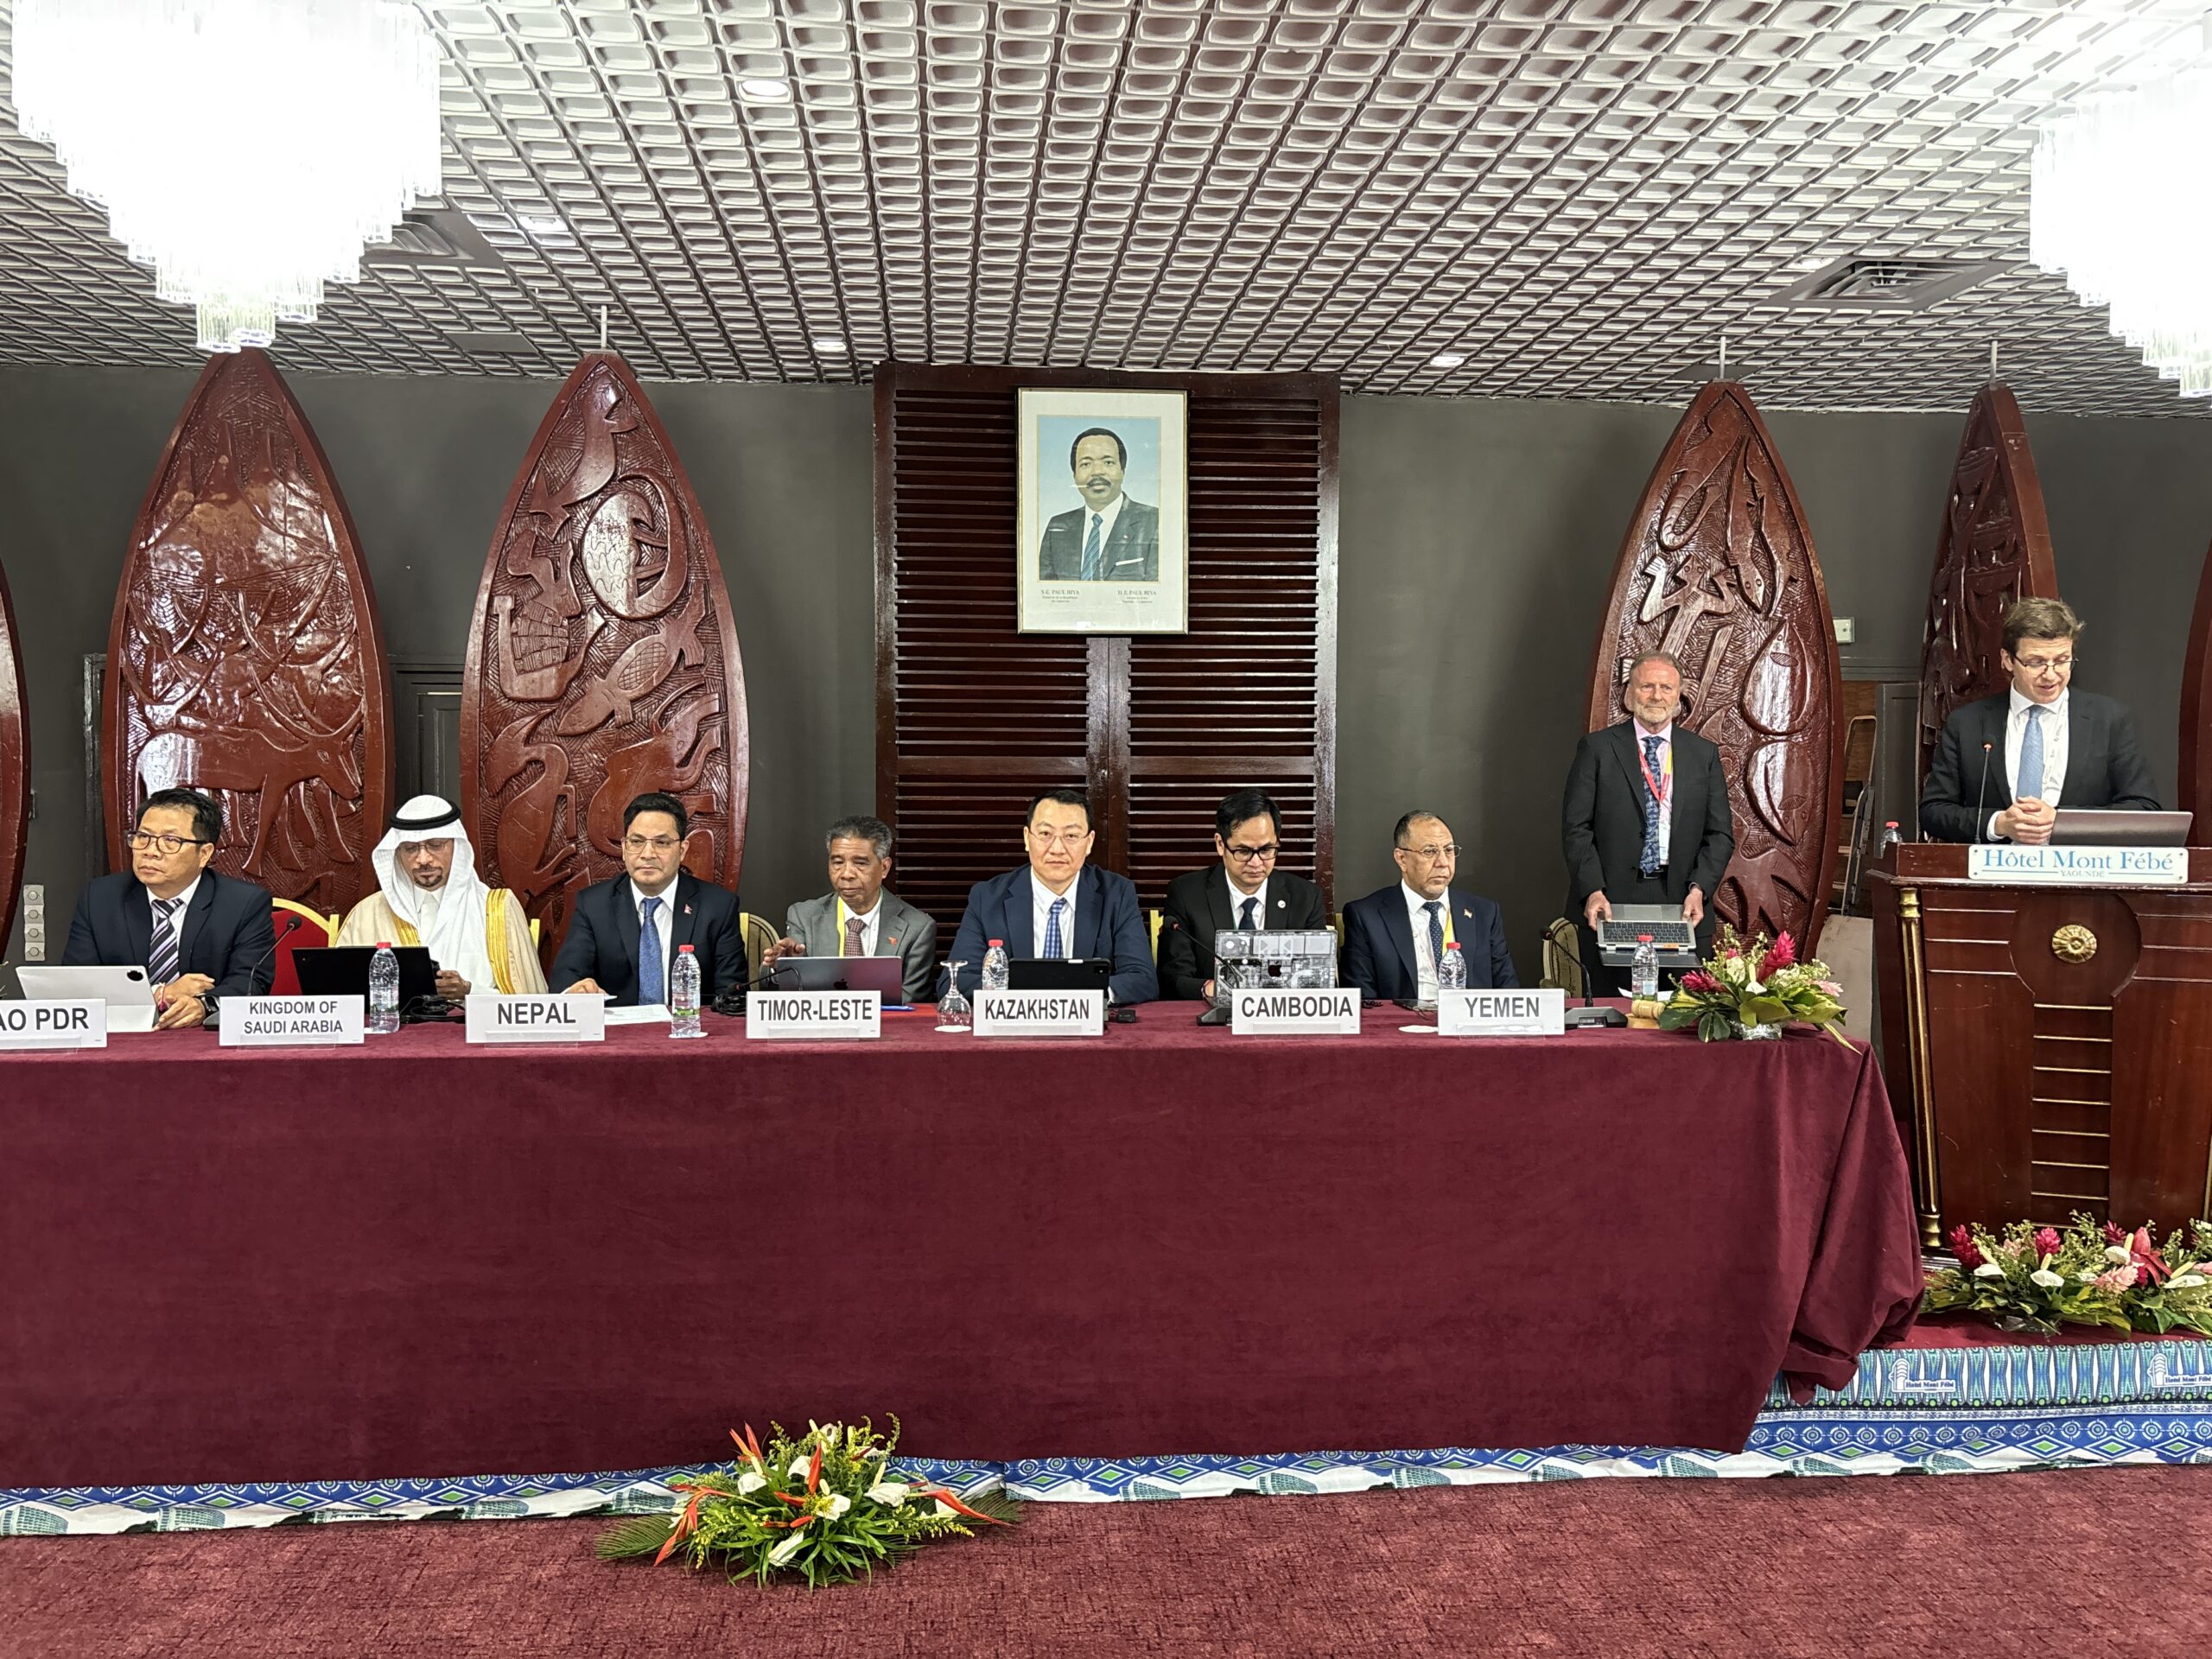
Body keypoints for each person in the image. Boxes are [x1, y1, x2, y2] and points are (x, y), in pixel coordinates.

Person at [1561, 650, 1735, 995]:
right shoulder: (1597, 749)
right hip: (1611, 900)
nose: (1657, 695)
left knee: (1684, 1012)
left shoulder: (1703, 754)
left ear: (1678, 696)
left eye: (1666, 688)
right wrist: (1593, 889)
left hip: (1683, 900)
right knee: (1614, 1012)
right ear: (1630, 694)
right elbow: (1576, 828)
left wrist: (1700, 889)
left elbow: (1720, 834)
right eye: (1647, 686)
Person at [1919, 597, 2160, 844]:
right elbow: (1934, 812)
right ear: (2007, 660)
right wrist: (1998, 824)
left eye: (2062, 660)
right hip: (1994, 865)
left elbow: (2144, 807)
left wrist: (2061, 821)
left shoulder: (2110, 720)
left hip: (2079, 865)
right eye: (2036, 662)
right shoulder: (1967, 724)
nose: (2051, 675)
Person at [63, 786, 275, 1028]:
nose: (150, 851)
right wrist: (161, 993)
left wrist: (204, 1006)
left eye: (170, 841)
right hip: (120, 1035)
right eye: (143, 837)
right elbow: (76, 984)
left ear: (204, 854)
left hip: (200, 1041)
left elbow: (251, 982)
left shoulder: (243, 903)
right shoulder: (100, 898)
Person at [944, 789, 1157, 1004]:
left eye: (1071, 836)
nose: (1057, 849)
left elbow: (1143, 979)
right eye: (1046, 834)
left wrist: (1080, 996)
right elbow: (953, 981)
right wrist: (1033, 996)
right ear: (1027, 838)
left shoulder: (1117, 894)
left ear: (1089, 842)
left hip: (1088, 1021)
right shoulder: (988, 898)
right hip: (1015, 1021)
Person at [334, 794, 545, 995]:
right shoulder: (367, 915)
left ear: (457, 845)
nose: (423, 859)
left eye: (435, 845)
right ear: (397, 853)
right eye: (410, 849)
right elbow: (339, 996)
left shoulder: (498, 910)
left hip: (472, 1022)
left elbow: (530, 1005)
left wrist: (469, 991)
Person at [550, 791, 745, 1007]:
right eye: (637, 841)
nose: (648, 854)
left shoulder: (718, 907)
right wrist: (576, 991)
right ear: (624, 848)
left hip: (687, 1025)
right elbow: (566, 977)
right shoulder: (594, 905)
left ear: (682, 850)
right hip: (620, 1027)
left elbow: (732, 994)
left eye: (662, 843)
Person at [1155, 788, 1331, 1001]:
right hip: (1212, 1014)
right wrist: (1210, 988)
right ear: (1221, 844)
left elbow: (1319, 978)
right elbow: (1173, 979)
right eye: (1244, 851)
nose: (1256, 863)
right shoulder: (1187, 894)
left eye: (1266, 850)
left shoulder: (1305, 897)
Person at [766, 814, 938, 1004]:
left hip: (885, 1022)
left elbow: (911, 999)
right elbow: (785, 992)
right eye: (838, 862)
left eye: (860, 863)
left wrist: (858, 1012)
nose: (847, 874)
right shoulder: (804, 916)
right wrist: (780, 967)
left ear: (884, 868)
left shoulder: (917, 928)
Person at [1341, 811, 1516, 1000]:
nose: (1442, 863)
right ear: (1402, 859)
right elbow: (1364, 1001)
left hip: (1468, 1017)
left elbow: (1507, 991)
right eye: (1429, 851)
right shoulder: (1366, 917)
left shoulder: (1484, 913)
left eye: (1449, 850)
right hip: (1402, 1018)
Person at [1037, 428, 1161, 582]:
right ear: (1074, 475)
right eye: (1086, 464)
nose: (1097, 472)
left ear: (1122, 471)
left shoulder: (1155, 521)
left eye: (1108, 462)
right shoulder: (1058, 527)